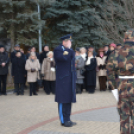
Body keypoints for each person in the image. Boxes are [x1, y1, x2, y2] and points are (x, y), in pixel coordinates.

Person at [106, 29, 134, 134]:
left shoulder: (116, 52)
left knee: (124, 119)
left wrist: (114, 89)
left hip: (122, 87)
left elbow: (109, 72)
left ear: (124, 39)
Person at [54, 34, 76, 127]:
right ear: (64, 42)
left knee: (69, 99)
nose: (71, 43)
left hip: (70, 78)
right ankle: (63, 121)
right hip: (62, 79)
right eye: (69, 41)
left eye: (71, 42)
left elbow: (71, 58)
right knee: (63, 100)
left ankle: (68, 119)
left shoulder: (69, 50)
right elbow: (63, 58)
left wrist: (69, 50)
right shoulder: (58, 49)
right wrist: (68, 50)